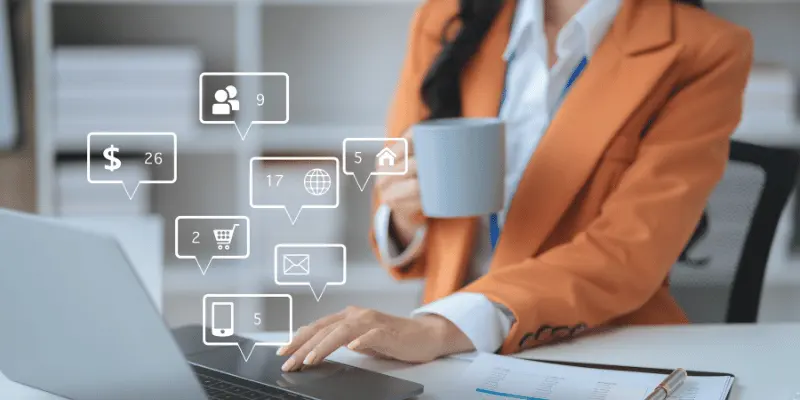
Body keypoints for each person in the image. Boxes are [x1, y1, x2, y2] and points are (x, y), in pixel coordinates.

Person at [277, 0, 753, 372]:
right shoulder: (445, 19)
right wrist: (403, 211)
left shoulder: (706, 49)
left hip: (605, 343)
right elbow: (398, 187)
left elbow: (628, 250)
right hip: (447, 351)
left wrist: (443, 325)